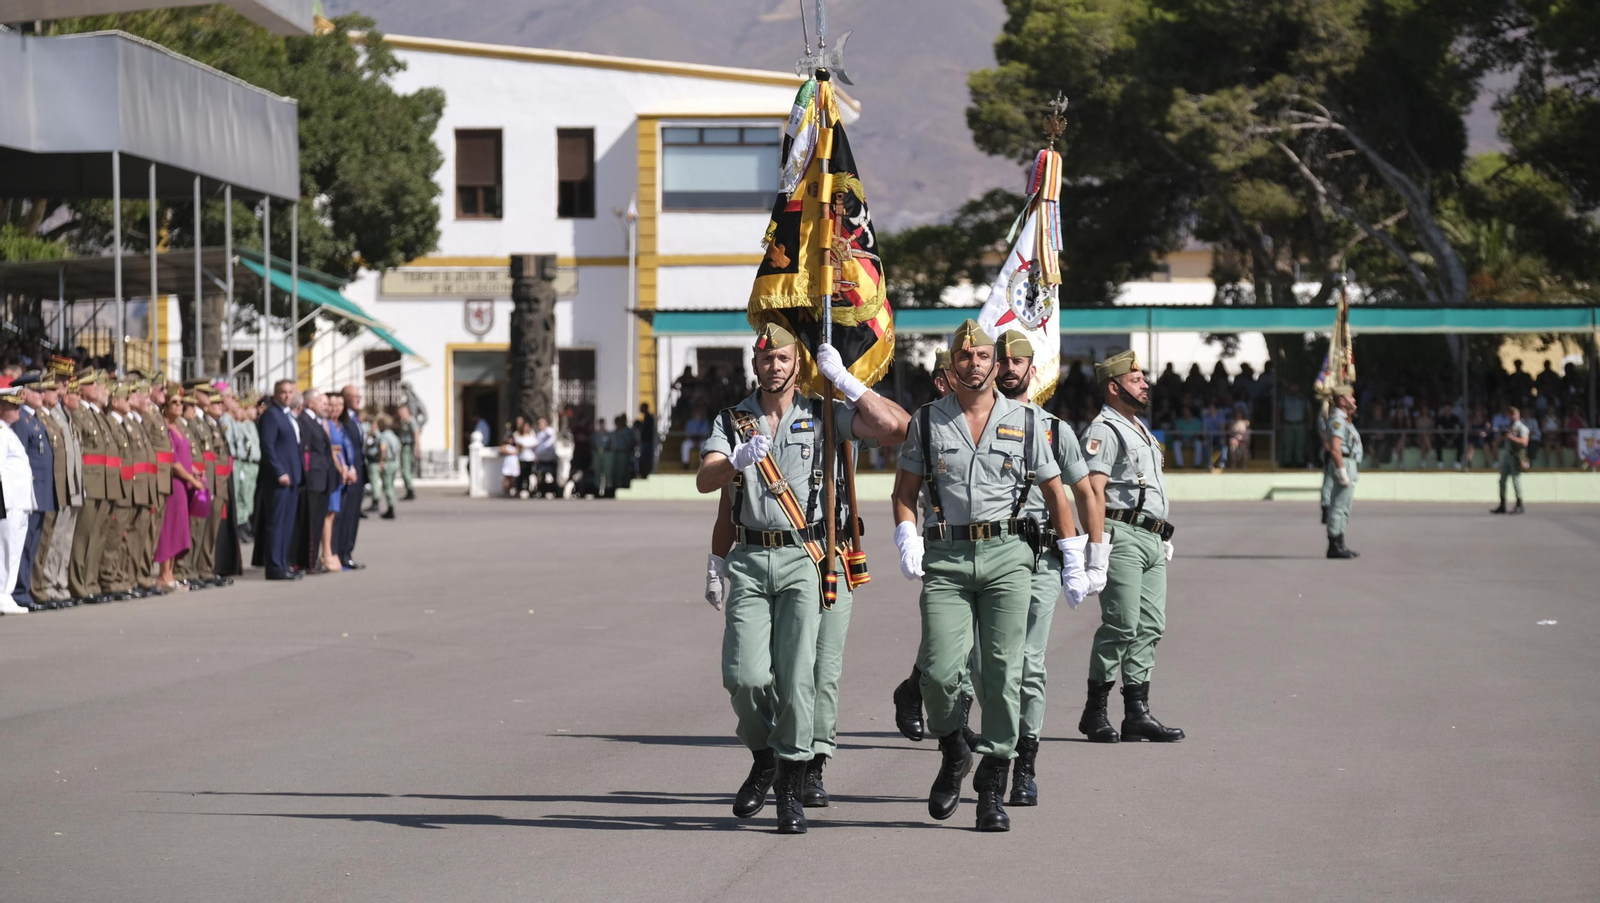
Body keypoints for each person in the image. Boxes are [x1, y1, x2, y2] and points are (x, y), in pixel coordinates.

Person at [697, 323, 909, 835]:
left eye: (783, 359)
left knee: (800, 677)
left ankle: (790, 785)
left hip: (805, 560)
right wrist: (733, 465)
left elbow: (896, 428)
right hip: (750, 558)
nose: (774, 366)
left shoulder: (824, 414)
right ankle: (766, 753)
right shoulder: (734, 420)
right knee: (743, 675)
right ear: (755, 363)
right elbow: (706, 480)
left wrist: (849, 383)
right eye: (765, 359)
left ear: (799, 364)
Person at [893, 320, 1084, 832]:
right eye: (964, 356)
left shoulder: (1025, 422)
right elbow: (904, 492)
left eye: (982, 355)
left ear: (996, 365)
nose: (974, 363)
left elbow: (1055, 491)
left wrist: (1073, 554)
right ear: (951, 365)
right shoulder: (927, 421)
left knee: (1003, 673)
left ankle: (992, 785)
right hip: (948, 559)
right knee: (937, 671)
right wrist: (906, 535)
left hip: (1008, 558)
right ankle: (955, 748)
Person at [985, 329, 1105, 806]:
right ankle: (995, 745)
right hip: (987, 561)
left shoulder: (1054, 429)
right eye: (1003, 362)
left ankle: (1023, 763)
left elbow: (1086, 491)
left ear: (1032, 370)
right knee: (985, 667)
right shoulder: (977, 424)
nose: (1010, 369)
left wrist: (1095, 557)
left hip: (1037, 560)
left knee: (1029, 665)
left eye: (1019, 362)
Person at [1079, 349, 1186, 744]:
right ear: (1114, 386)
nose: (1144, 383)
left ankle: (1137, 712)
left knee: (1150, 625)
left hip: (1152, 538)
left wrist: (1160, 533)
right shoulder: (1103, 430)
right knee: (1121, 625)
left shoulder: (1138, 427)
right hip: (1121, 534)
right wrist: (1096, 546)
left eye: (1142, 377)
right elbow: (1093, 489)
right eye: (1135, 377)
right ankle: (1096, 711)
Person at [10, 375, 55, 610]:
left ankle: (25, 590)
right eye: (36, 390)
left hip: (41, 489)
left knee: (34, 544)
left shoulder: (34, 418)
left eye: (42, 390)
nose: (41, 393)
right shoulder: (21, 420)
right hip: (29, 490)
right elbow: (19, 460)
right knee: (25, 544)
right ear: (24, 392)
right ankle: (20, 591)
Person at [155, 389, 205, 591]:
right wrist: (191, 477)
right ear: (165, 407)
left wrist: (195, 471)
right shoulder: (165, 428)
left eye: (180, 403)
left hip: (184, 484)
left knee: (179, 529)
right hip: (174, 483)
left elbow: (185, 457)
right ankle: (163, 575)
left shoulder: (179, 427)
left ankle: (171, 574)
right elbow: (173, 462)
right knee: (170, 528)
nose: (179, 406)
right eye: (174, 402)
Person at [253, 380, 302, 581]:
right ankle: (274, 566)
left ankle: (283, 563)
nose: (287, 396)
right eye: (283, 392)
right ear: (275, 394)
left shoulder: (287, 415)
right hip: (278, 479)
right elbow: (268, 446)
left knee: (287, 523)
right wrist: (279, 472)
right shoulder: (272, 415)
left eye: (290, 392)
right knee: (276, 523)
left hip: (293, 478)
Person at [0, 387, 39, 614]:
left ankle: (6, 593)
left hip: (20, 501)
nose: (17, 410)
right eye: (12, 406)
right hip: (9, 502)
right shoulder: (1, 432)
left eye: (17, 405)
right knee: (6, 549)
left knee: (14, 549)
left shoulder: (9, 432)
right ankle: (2, 594)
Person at [292, 389, 334, 575]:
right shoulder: (305, 421)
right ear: (309, 403)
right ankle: (306, 561)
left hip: (321, 479)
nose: (325, 405)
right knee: (309, 523)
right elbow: (305, 452)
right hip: (312, 480)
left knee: (317, 521)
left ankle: (312, 559)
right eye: (320, 401)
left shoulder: (316, 421)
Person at [1323, 386, 1363, 558]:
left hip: (1350, 462)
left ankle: (1341, 543)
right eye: (1351, 397)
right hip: (1344, 462)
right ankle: (1334, 545)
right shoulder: (1337, 420)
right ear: (1341, 400)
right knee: (1338, 506)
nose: (1354, 400)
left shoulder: (1346, 419)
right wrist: (1341, 470)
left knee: (1345, 506)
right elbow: (1335, 449)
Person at [334, 386, 367, 570]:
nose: (357, 399)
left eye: (358, 396)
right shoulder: (343, 419)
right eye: (353, 397)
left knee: (354, 515)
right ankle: (341, 553)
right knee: (345, 515)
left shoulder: (354, 417)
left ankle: (348, 552)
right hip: (348, 472)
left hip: (359, 472)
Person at [1491, 405, 1531, 515]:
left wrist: (1511, 437)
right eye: (1510, 415)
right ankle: (1502, 504)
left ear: (1518, 415)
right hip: (1507, 456)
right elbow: (1499, 441)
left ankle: (1520, 504)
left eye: (1513, 414)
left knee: (1516, 481)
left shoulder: (1522, 428)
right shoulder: (1509, 428)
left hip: (1517, 456)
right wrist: (1502, 437)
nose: (1512, 417)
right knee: (1502, 480)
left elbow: (1524, 442)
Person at [375, 415, 400, 519]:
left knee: (387, 486)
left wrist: (381, 461)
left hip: (388, 463)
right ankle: (391, 506)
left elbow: (383, 448)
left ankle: (391, 508)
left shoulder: (383, 436)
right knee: (391, 485)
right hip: (395, 462)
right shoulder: (393, 435)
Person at [1281, 382, 1310, 468]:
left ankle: (1300, 463)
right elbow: (1279, 411)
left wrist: (1309, 423)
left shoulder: (1304, 399)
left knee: (1300, 444)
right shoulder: (1285, 398)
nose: (1293, 388)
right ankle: (1287, 463)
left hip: (1300, 424)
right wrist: (1278, 424)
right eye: (1292, 386)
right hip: (1287, 424)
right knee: (1287, 444)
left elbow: (1309, 411)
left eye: (1295, 386)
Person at [394, 403, 418, 501]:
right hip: (404, 446)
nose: (400, 414)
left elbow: (416, 434)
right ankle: (409, 489)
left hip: (409, 446)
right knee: (404, 469)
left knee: (405, 469)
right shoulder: (403, 422)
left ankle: (410, 490)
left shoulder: (411, 421)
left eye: (402, 412)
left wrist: (416, 448)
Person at [608, 414, 635, 496]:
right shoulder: (614, 432)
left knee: (622, 471)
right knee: (614, 472)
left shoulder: (628, 431)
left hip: (623, 453)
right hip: (615, 453)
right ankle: (614, 488)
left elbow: (632, 442)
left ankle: (621, 487)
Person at [532, 416, 558, 497]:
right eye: (538, 423)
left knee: (553, 476)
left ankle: (555, 491)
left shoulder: (549, 431)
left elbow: (549, 442)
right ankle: (541, 491)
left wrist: (539, 449)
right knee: (540, 476)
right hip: (541, 459)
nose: (539, 425)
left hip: (550, 459)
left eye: (541, 423)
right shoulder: (538, 434)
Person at [512, 418, 536, 497]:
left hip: (530, 458)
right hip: (522, 457)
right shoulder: (518, 435)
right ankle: (519, 489)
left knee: (529, 474)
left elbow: (535, 445)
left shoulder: (532, 435)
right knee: (521, 474)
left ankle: (529, 489)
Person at [635, 403, 657, 478]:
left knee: (646, 458)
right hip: (645, 442)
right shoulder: (646, 418)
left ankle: (645, 473)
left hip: (647, 442)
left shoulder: (649, 418)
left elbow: (648, 430)